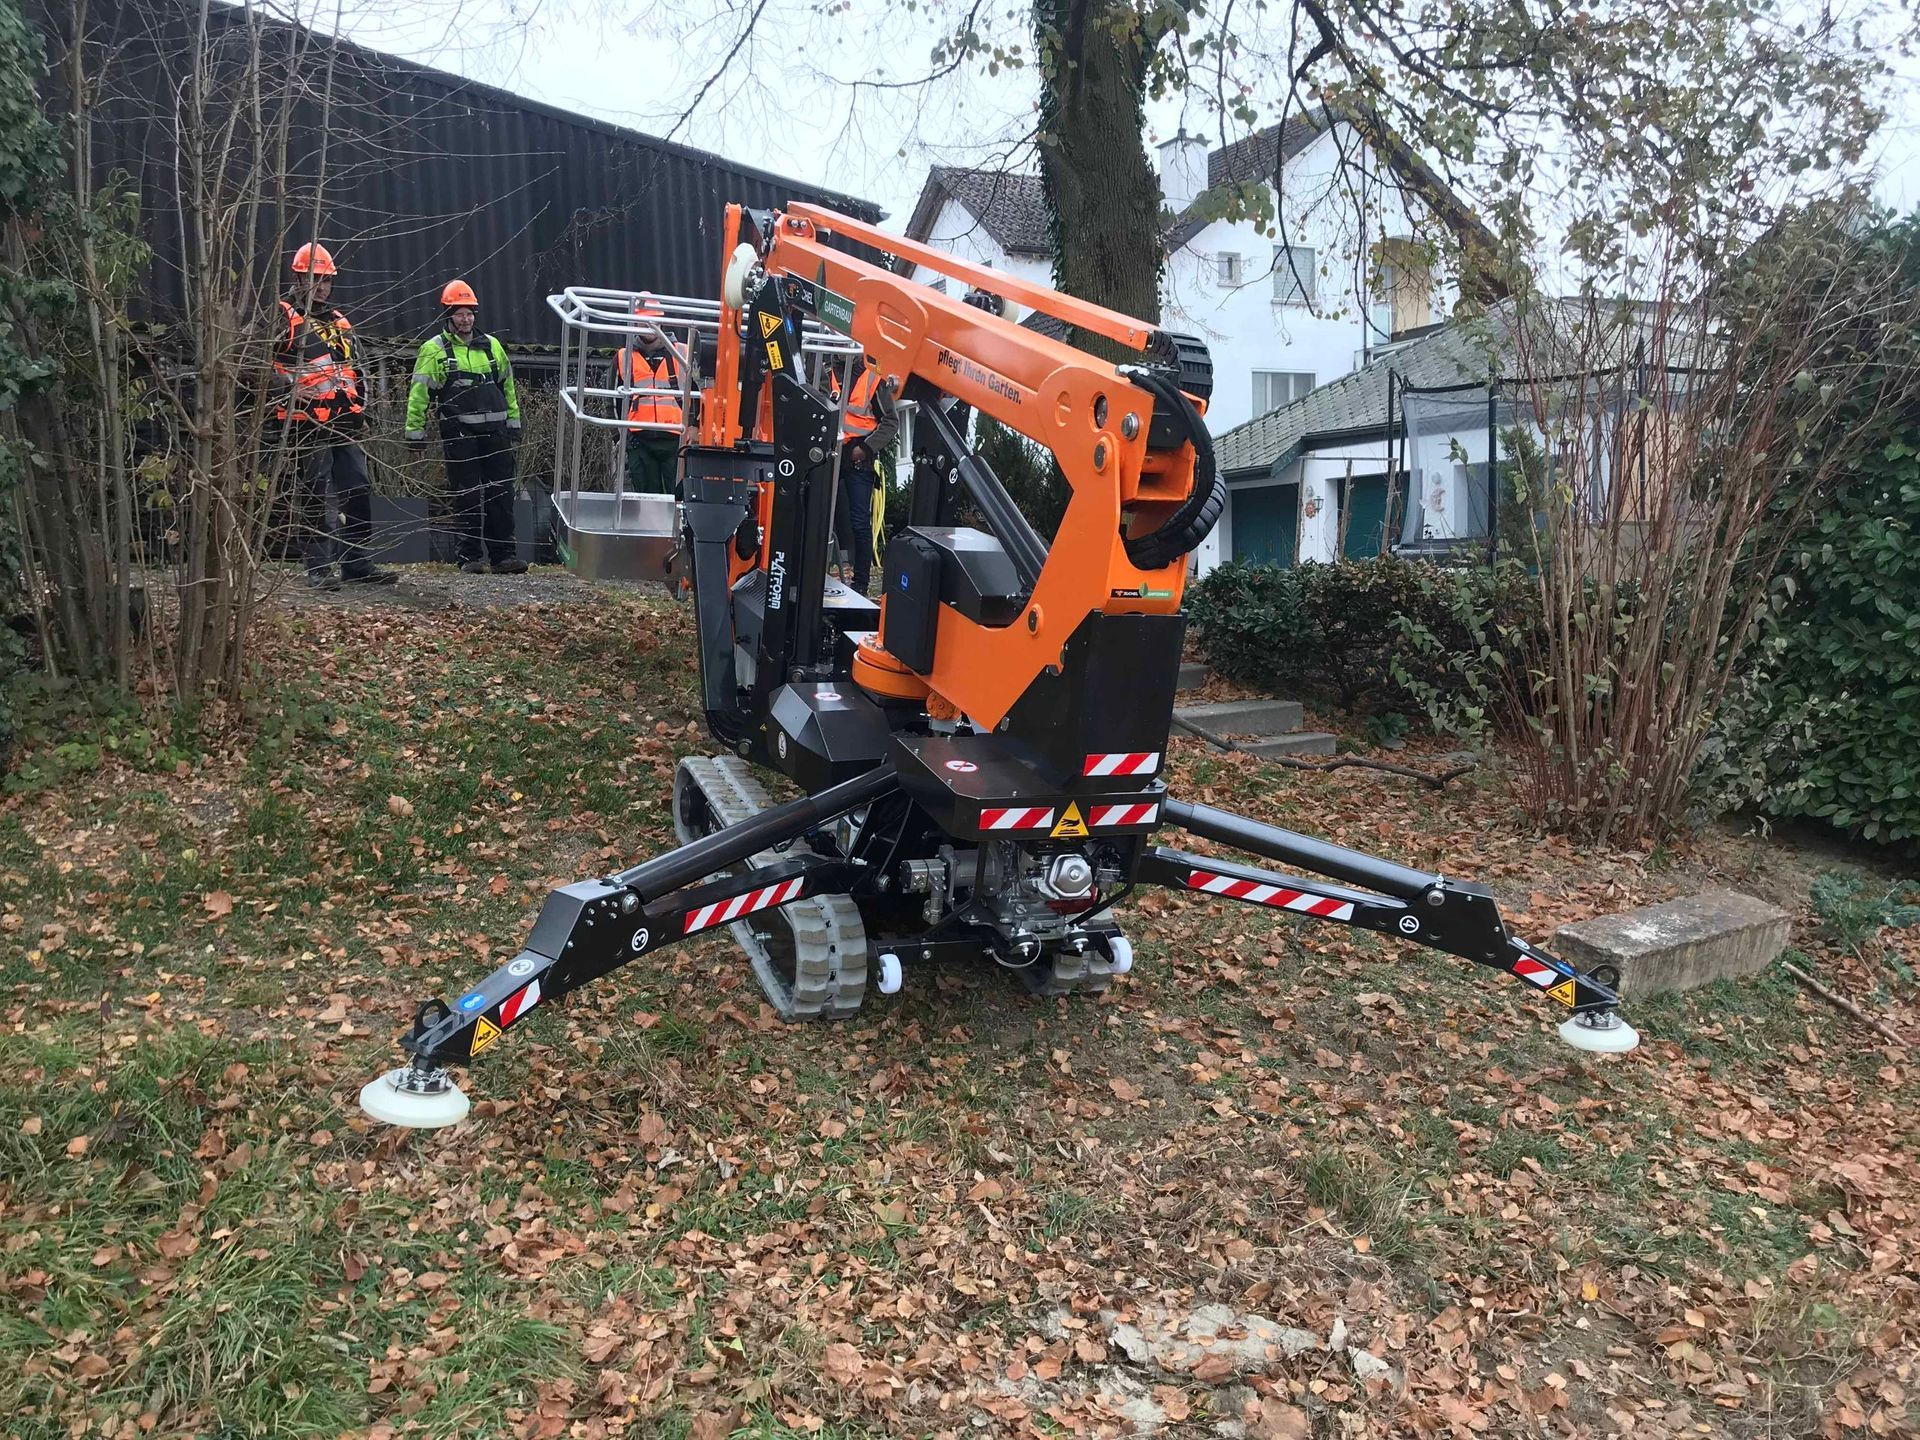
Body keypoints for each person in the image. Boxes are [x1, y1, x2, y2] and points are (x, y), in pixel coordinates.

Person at [274, 242, 395, 589]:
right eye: (315, 278)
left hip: (344, 421)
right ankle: (318, 568)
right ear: (299, 278)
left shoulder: (341, 322)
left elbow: (358, 368)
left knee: (358, 488)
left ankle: (356, 562)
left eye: (326, 280)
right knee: (314, 493)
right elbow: (255, 362)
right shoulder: (283, 315)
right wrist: (286, 387)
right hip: (304, 421)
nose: (322, 286)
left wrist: (363, 409)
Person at [405, 279, 527, 574]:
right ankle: (469, 556)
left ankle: (503, 556)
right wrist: (414, 432)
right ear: (448, 315)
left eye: (470, 312)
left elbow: (508, 388)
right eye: (460, 313)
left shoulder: (492, 347)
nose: (466, 318)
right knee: (467, 494)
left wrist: (514, 423)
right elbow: (419, 393)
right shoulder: (434, 350)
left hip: (496, 435)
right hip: (460, 435)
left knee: (501, 494)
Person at [833, 353, 891, 595]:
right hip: (831, 455)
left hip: (858, 459)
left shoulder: (873, 377)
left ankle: (861, 583)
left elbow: (890, 422)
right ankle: (820, 573)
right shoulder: (827, 371)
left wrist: (864, 449)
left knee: (859, 522)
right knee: (821, 518)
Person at [616, 293, 683, 494]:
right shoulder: (623, 356)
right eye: (643, 321)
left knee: (677, 496)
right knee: (644, 497)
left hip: (675, 439)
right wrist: (618, 434)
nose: (648, 326)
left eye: (652, 320)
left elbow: (696, 393)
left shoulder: (682, 353)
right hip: (640, 439)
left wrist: (694, 428)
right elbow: (614, 398)